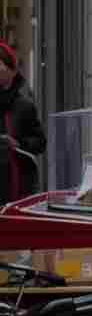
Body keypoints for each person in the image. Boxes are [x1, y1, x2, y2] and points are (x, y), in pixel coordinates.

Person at [0, 42, 44, 205]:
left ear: (12, 70)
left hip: (18, 183)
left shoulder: (24, 106)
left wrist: (19, 144)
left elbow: (40, 142)